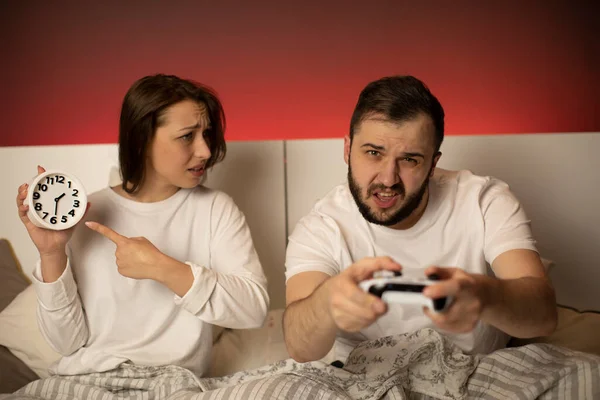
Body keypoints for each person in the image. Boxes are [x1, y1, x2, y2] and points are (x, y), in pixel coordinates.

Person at [282, 75, 557, 364]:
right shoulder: (322, 225)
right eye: (374, 153)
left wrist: (485, 295)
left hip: (476, 371)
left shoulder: (484, 201)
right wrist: (326, 303)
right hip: (361, 380)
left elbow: (544, 316)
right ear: (348, 150)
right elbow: (299, 347)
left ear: (432, 164)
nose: (388, 179)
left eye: (410, 159)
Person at [15, 74, 269, 377]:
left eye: (207, 134)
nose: (204, 150)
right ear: (142, 139)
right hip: (86, 384)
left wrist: (164, 268)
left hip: (175, 387)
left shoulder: (216, 210)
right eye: (187, 136)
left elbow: (254, 310)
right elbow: (66, 344)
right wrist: (52, 255)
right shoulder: (85, 214)